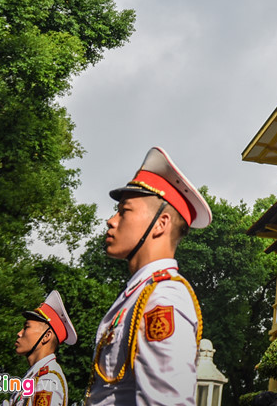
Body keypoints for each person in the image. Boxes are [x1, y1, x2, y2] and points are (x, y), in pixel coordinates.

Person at [85, 146, 212, 406]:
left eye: (124, 211)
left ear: (161, 223)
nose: (111, 220)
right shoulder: (140, 293)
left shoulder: (163, 297)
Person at [5, 290, 77, 406]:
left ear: (46, 336)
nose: (19, 333)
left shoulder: (48, 379)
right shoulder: (36, 376)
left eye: (26, 327)